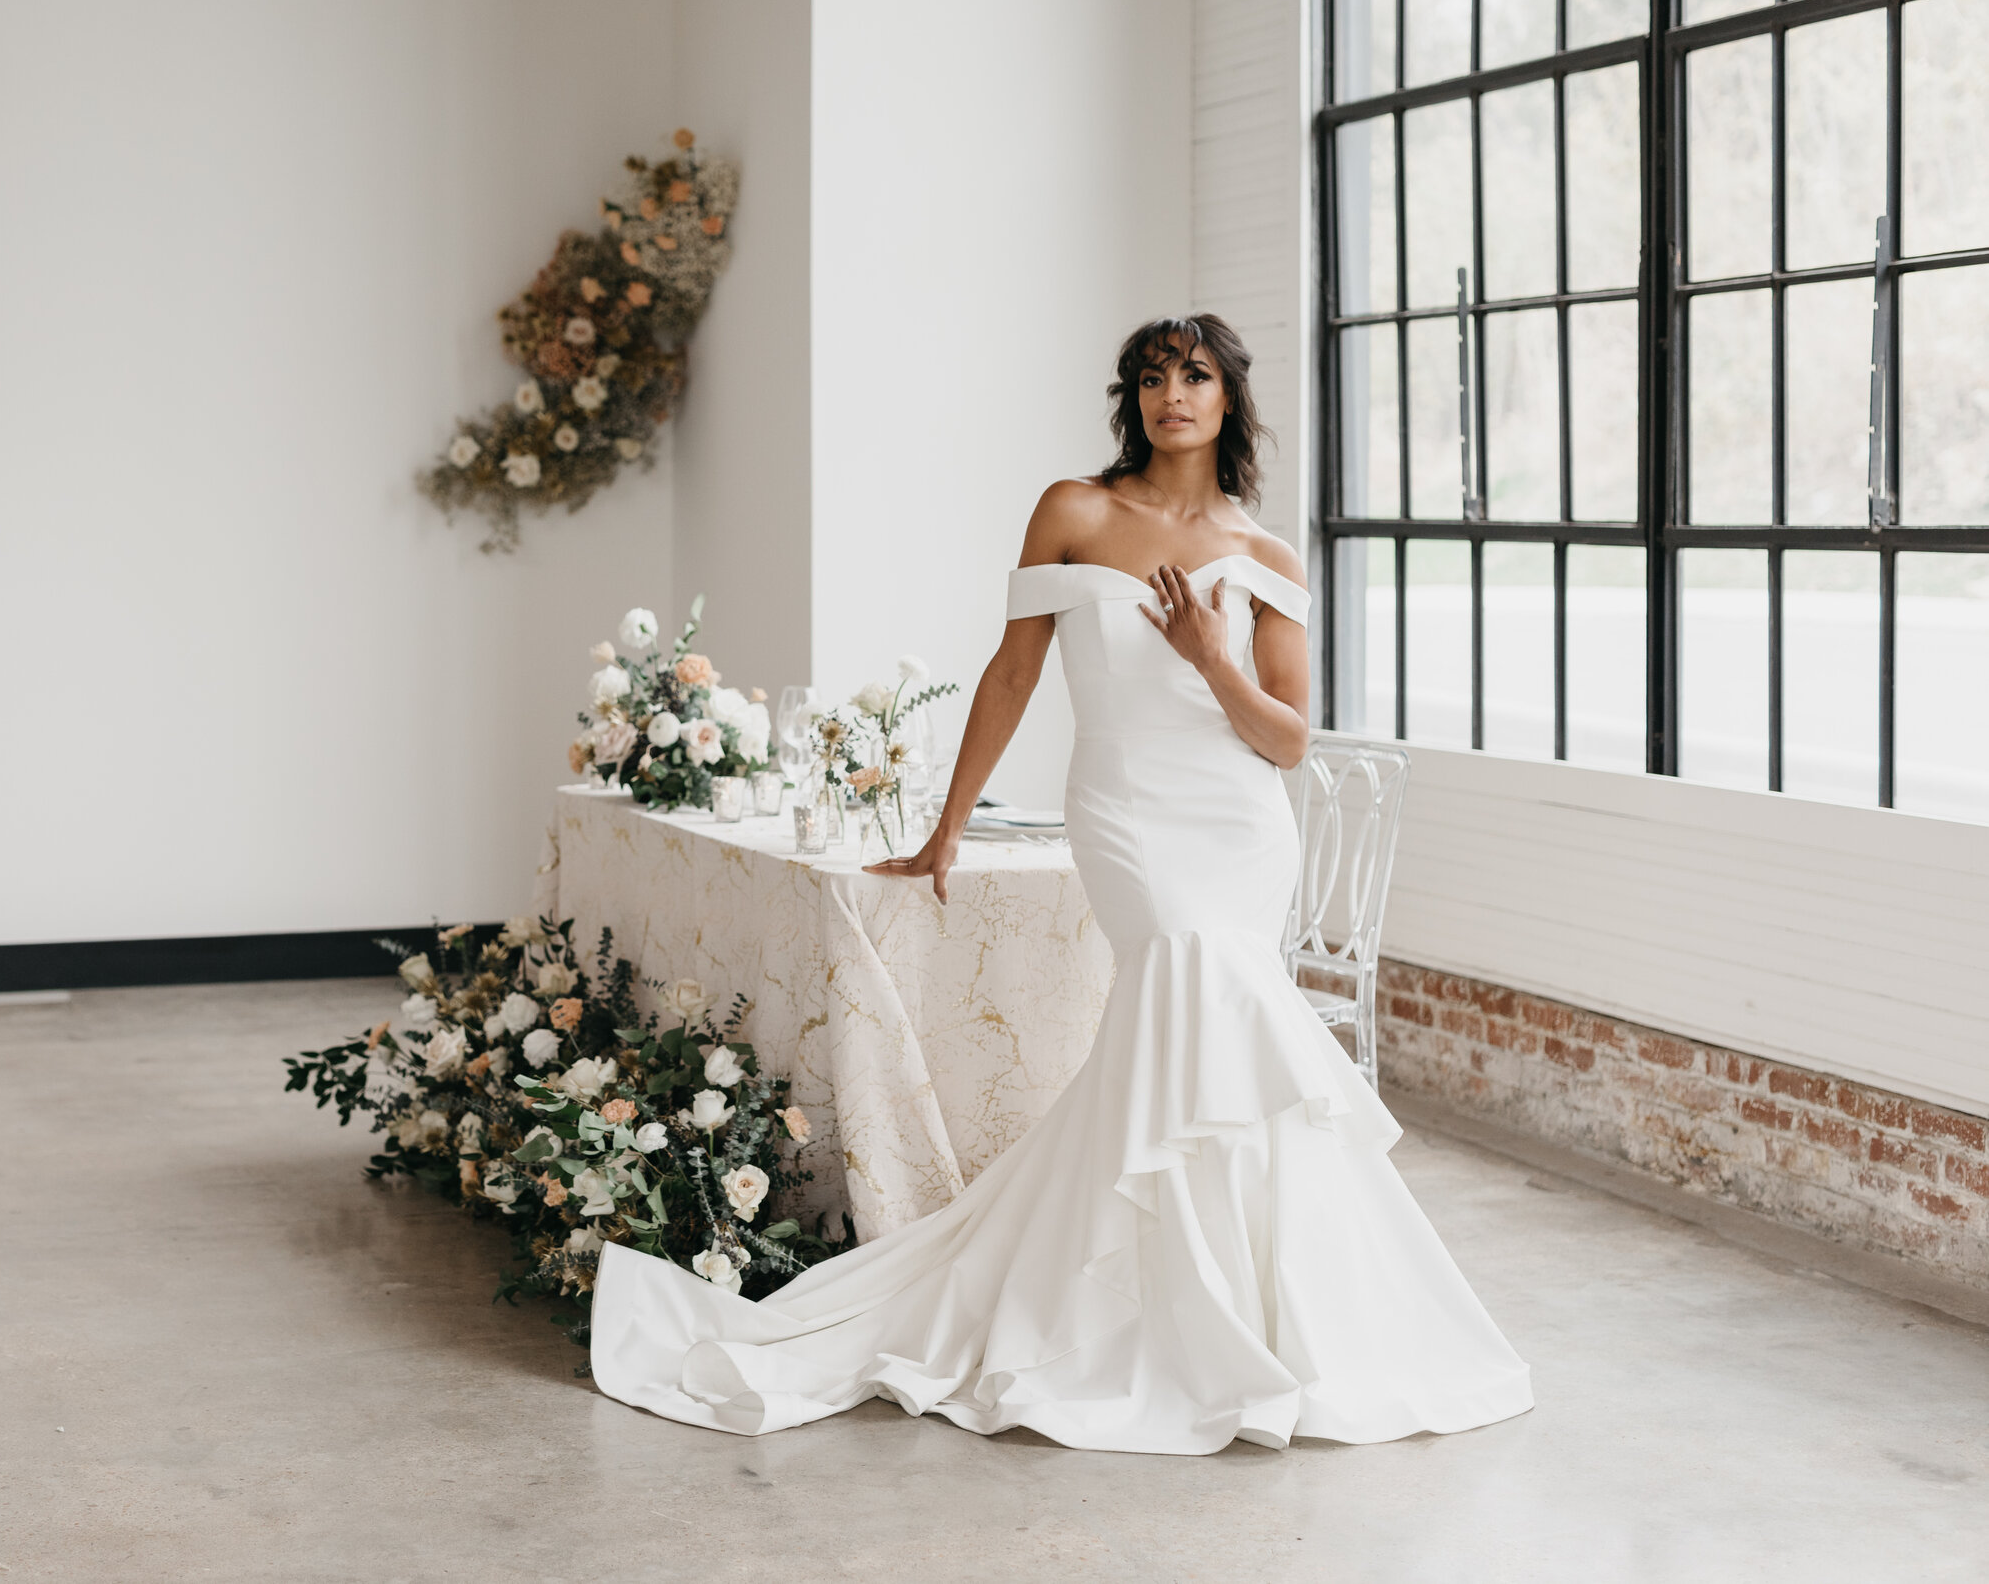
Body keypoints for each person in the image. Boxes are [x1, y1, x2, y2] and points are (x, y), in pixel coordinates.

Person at [588, 316, 1533, 1453]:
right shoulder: (1074, 512)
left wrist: (1209, 656)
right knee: (1189, 981)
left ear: (1228, 399)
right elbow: (1012, 670)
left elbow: (1286, 742)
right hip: (1129, 813)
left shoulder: (1267, 555)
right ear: (1128, 396)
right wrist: (945, 829)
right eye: (1149, 376)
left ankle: (1260, 1309)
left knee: (1211, 1028)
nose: (1169, 394)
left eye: (1193, 376)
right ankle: (1161, 1313)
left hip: (1237, 829)